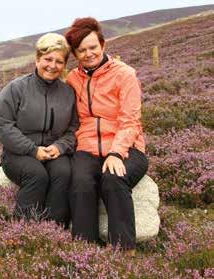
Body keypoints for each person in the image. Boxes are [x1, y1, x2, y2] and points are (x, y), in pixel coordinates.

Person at [64, 17, 148, 253]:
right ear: (75, 53)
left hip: (127, 147)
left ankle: (123, 252)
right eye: (81, 50)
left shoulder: (125, 74)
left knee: (113, 179)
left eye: (93, 47)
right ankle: (85, 251)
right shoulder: (72, 79)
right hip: (87, 148)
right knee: (80, 183)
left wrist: (116, 153)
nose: (89, 53)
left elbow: (130, 120)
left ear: (103, 44)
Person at [0, 33, 79, 226]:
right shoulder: (15, 88)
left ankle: (54, 229)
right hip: (18, 154)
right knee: (37, 175)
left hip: (54, 151)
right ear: (37, 59)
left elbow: (74, 127)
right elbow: (3, 125)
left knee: (64, 173)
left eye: (59, 61)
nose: (52, 65)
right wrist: (33, 150)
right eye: (48, 59)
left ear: (64, 65)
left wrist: (60, 146)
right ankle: (22, 230)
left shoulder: (68, 93)